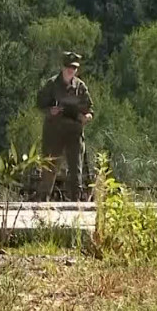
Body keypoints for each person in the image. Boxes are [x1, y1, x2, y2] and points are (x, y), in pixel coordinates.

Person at [35, 51, 94, 201]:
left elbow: (89, 109)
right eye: (68, 67)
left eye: (74, 68)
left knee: (76, 169)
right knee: (50, 167)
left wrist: (86, 117)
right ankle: (43, 201)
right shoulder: (52, 85)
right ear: (63, 67)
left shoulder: (80, 87)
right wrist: (50, 110)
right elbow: (40, 104)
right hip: (54, 132)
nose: (71, 70)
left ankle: (76, 202)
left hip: (74, 132)